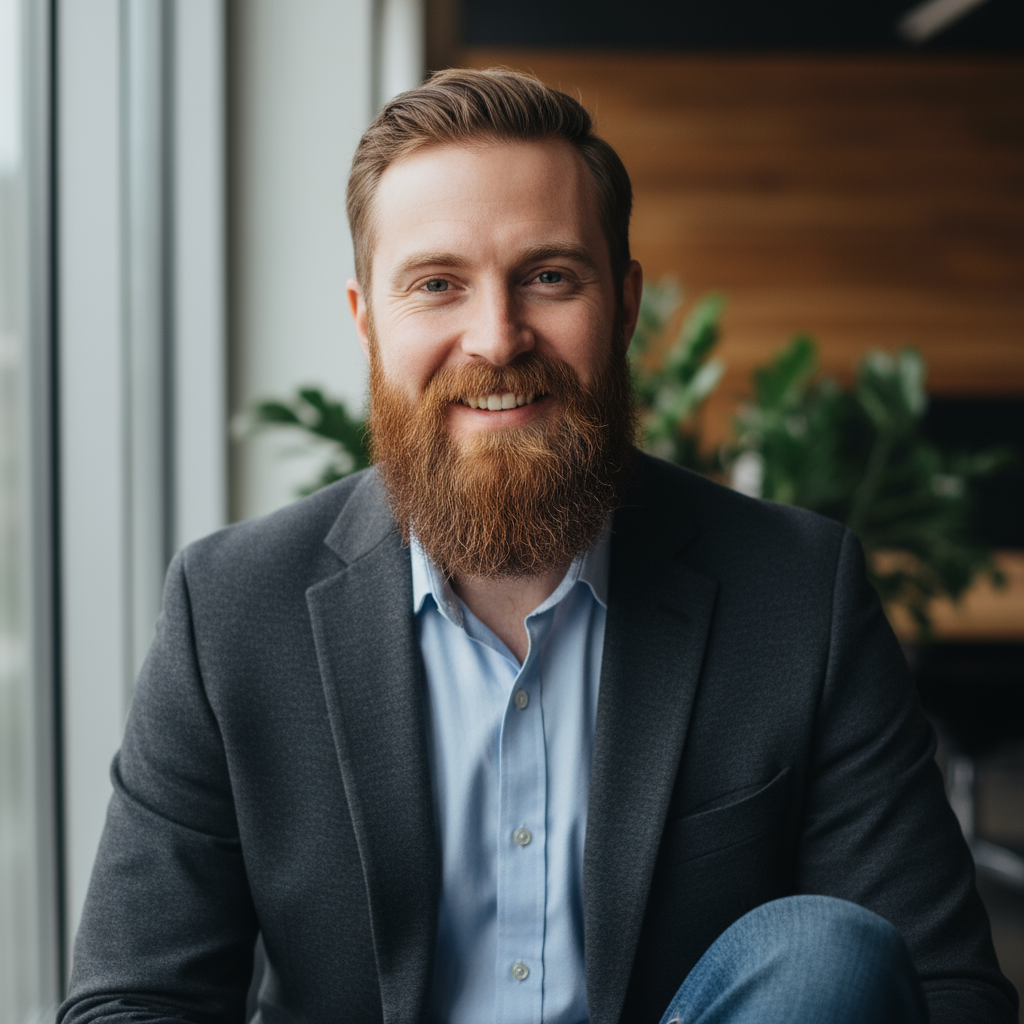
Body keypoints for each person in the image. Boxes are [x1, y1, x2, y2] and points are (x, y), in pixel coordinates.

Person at [60, 69, 1017, 1024]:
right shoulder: (229, 609)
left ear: (625, 304)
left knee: (828, 954)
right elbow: (133, 1000)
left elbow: (943, 992)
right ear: (367, 323)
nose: (497, 337)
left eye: (549, 277)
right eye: (437, 285)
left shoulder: (798, 592)